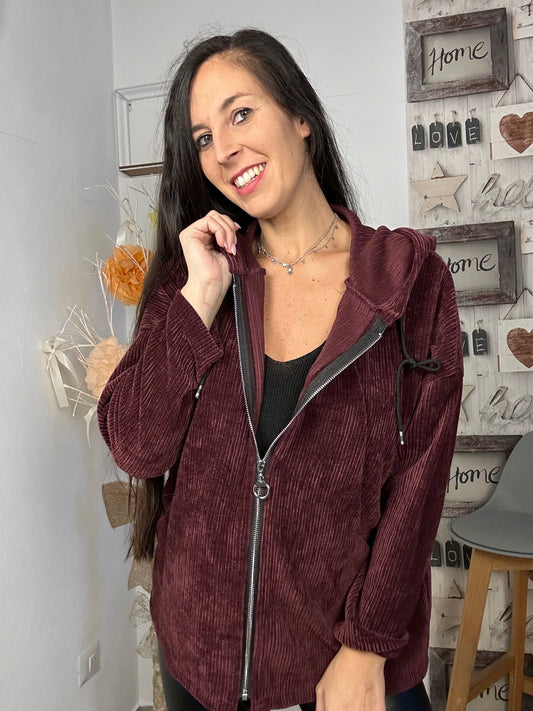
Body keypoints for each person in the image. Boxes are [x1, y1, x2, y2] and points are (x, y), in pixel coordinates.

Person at [98, 28, 463, 711]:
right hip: (199, 657)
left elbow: (417, 488)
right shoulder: (195, 279)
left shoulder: (408, 282)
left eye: (240, 113)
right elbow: (136, 447)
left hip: (342, 661)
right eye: (202, 137)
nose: (223, 149)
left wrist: (366, 646)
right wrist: (199, 299)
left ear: (300, 116)